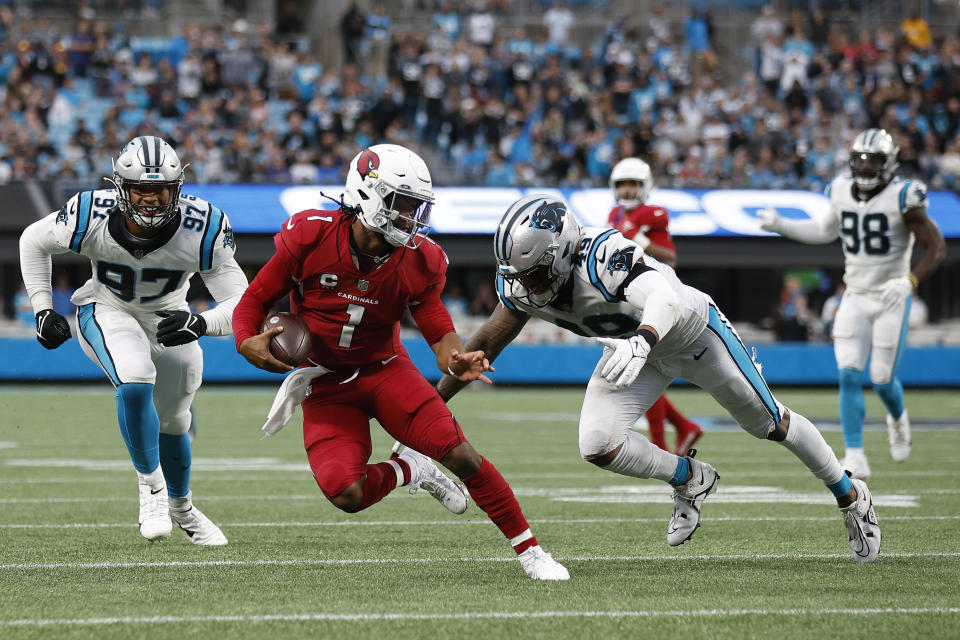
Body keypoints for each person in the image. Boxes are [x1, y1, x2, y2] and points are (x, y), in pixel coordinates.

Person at [437, 194, 882, 563]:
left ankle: (849, 494)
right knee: (597, 443)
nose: (526, 285)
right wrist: (430, 407)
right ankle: (689, 476)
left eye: (534, 273)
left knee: (772, 424)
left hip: (690, 334)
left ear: (562, 251)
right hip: (638, 350)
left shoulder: (601, 254)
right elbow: (484, 346)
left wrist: (644, 339)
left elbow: (664, 297)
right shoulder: (522, 284)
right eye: (519, 275)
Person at [231, 144, 569, 580]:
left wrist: (454, 358)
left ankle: (531, 552)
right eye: (402, 204)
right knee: (346, 493)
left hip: (385, 371)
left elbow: (435, 323)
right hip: (326, 383)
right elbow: (254, 298)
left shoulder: (419, 258)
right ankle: (410, 468)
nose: (412, 218)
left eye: (417, 207)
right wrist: (244, 341)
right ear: (367, 194)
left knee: (462, 455)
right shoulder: (311, 235)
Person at [19, 135, 248, 544]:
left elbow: (241, 303)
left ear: (176, 188)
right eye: (141, 189)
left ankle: (184, 508)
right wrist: (41, 307)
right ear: (121, 188)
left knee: (177, 421)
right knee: (135, 376)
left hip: (168, 318)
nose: (150, 200)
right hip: (107, 308)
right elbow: (32, 241)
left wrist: (200, 323)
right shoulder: (90, 214)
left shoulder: (203, 228)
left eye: (159, 190)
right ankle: (152, 491)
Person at [760, 128, 946, 480]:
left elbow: (936, 247)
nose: (863, 166)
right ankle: (855, 453)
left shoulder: (903, 196)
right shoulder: (841, 190)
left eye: (871, 159)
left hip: (891, 295)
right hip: (856, 293)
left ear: (888, 163)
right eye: (859, 159)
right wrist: (782, 225)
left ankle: (897, 416)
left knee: (881, 377)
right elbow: (825, 231)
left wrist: (909, 281)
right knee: (847, 372)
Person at [608, 158, 703, 455]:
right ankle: (685, 427)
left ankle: (661, 444)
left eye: (632, 184)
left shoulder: (653, 214)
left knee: (640, 370)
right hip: (630, 296)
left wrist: (638, 239)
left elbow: (671, 259)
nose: (626, 190)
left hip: (655, 297)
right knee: (638, 369)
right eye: (622, 184)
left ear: (645, 186)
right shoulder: (614, 214)